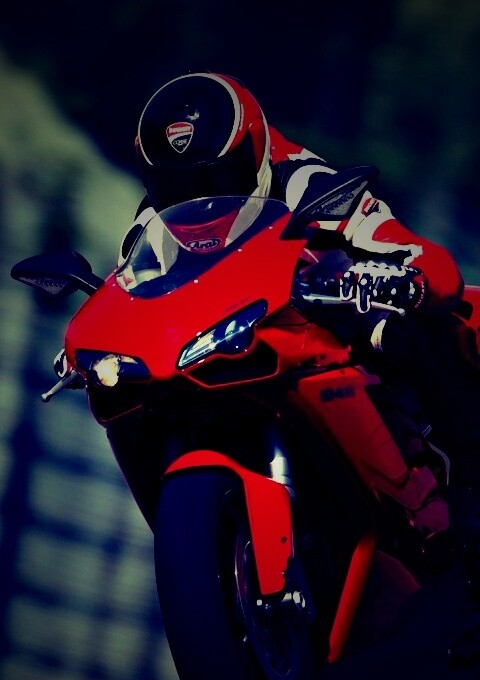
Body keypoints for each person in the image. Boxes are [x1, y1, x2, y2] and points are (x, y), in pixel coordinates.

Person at [118, 70, 480, 587]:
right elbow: (130, 295)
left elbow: (427, 259)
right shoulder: (151, 226)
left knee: (420, 329)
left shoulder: (305, 180)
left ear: (254, 153)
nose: (200, 205)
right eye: (178, 190)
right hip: (232, 346)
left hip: (326, 319)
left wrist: (405, 279)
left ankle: (467, 498)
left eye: (217, 181)